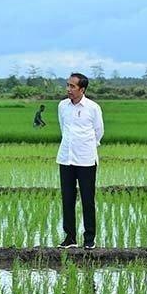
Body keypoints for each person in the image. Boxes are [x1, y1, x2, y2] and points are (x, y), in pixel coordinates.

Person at [57, 73, 104, 249]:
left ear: (82, 89)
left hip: (86, 160)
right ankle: (70, 238)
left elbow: (99, 132)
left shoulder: (93, 108)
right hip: (65, 158)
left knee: (87, 199)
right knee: (67, 198)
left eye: (72, 86)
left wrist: (85, 146)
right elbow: (64, 129)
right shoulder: (62, 106)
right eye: (67, 85)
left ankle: (89, 238)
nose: (68, 89)